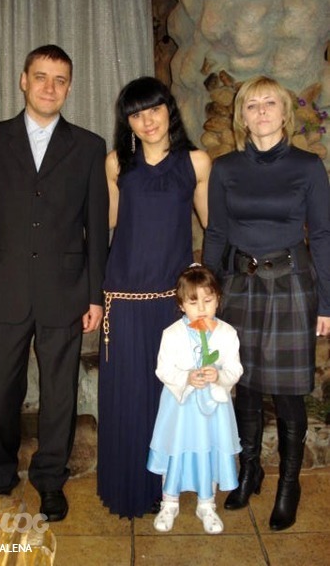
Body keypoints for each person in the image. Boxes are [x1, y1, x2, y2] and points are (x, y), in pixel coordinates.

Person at [0, 44, 109, 521]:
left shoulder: (88, 147)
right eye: (41, 77)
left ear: (69, 87)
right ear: (24, 80)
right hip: (2, 290)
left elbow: (96, 227)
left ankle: (50, 480)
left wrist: (95, 295)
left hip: (64, 291)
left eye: (60, 80)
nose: (50, 87)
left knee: (60, 394)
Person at [203, 75, 330, 531]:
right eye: (252, 104)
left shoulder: (308, 167)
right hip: (239, 285)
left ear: (284, 112)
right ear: (241, 115)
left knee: (289, 392)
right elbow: (216, 232)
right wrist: (207, 295)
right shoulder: (225, 169)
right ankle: (249, 471)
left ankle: (288, 486)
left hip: (292, 285)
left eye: (269, 103)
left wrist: (328, 304)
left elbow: (323, 235)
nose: (260, 111)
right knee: (246, 386)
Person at [97, 76, 211, 518]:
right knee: (128, 396)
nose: (147, 121)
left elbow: (213, 227)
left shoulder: (196, 162)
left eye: (154, 109)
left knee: (171, 396)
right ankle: (130, 487)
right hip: (123, 299)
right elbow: (108, 223)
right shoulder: (115, 164)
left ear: (170, 110)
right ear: (126, 121)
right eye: (136, 114)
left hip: (172, 300)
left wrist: (206, 297)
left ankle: (170, 488)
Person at [147, 264, 242, 534]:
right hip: (180, 408)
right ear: (181, 305)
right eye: (193, 302)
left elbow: (235, 368)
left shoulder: (227, 333)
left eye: (208, 300)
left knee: (209, 449)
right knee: (176, 448)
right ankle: (169, 501)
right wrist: (186, 377)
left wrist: (219, 375)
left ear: (218, 300)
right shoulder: (171, 334)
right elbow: (163, 369)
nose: (201, 308)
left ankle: (206, 503)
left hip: (214, 410)